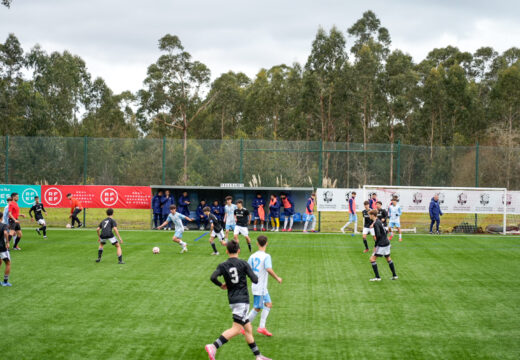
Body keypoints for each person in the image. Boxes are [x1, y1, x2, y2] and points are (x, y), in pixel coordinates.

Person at [205, 241, 271, 360]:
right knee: (236, 329)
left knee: (248, 329)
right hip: (242, 300)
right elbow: (255, 280)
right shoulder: (243, 264)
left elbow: (213, 277)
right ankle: (213, 346)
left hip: (232, 300)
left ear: (227, 251)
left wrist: (221, 285)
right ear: (239, 250)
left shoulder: (223, 265)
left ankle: (258, 356)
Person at [246, 235, 282, 337]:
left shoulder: (252, 256)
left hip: (257, 286)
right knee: (259, 307)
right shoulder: (266, 256)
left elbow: (247, 269)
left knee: (265, 305)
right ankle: (251, 326)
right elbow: (268, 269)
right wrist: (277, 277)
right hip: (260, 287)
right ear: (266, 243)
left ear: (257, 243)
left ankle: (259, 327)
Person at [368, 210, 398, 281]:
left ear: (373, 215)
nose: (369, 216)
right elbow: (385, 231)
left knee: (372, 259)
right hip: (387, 243)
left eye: (369, 215)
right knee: (388, 258)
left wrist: (375, 246)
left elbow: (378, 235)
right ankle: (394, 275)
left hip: (381, 244)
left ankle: (377, 277)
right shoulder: (379, 221)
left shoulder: (376, 223)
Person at [0, 213, 12, 286]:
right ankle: (5, 281)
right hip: (2, 248)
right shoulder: (3, 225)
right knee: (8, 263)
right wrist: (7, 242)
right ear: (1, 217)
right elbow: (5, 233)